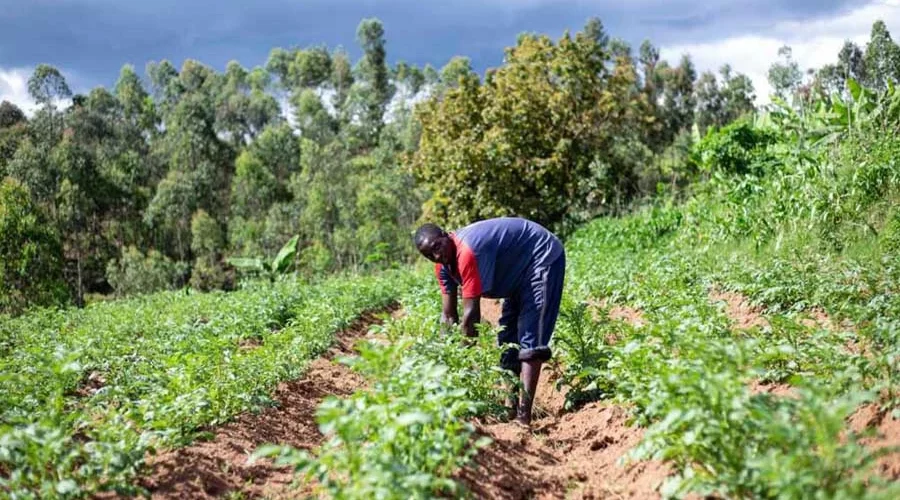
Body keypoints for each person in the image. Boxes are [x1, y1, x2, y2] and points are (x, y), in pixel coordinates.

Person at [413, 217, 566, 425]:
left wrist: (465, 362)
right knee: (508, 339)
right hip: (515, 273)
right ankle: (510, 407)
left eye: (437, 247)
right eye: (430, 255)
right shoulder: (442, 266)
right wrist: (446, 356)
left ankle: (524, 417)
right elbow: (448, 316)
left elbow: (471, 315)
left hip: (541, 255)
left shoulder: (466, 252)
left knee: (531, 335)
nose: (437, 255)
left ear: (446, 234)